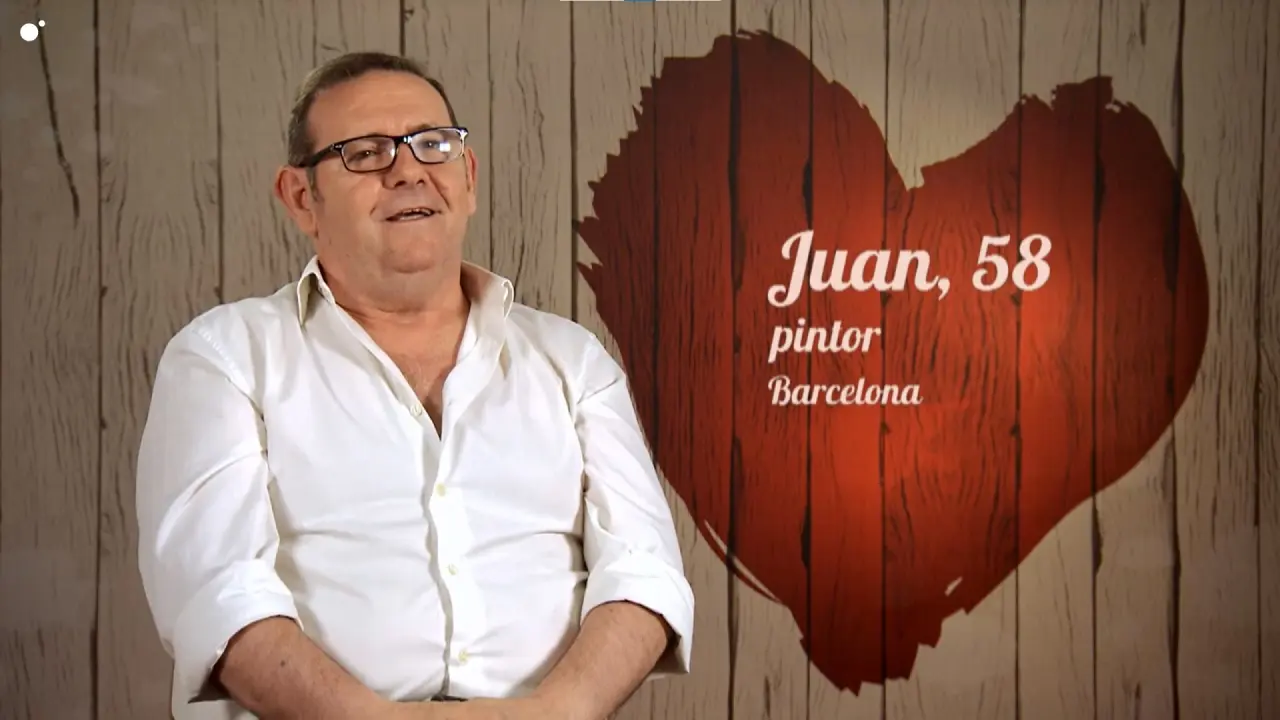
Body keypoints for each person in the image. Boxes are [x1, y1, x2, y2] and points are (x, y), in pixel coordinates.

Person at [134, 51, 694, 720]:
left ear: (469, 177)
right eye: (365, 153)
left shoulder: (572, 361)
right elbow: (217, 594)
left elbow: (644, 571)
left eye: (433, 144)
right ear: (302, 199)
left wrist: (555, 715)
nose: (408, 171)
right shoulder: (223, 358)